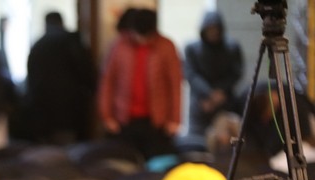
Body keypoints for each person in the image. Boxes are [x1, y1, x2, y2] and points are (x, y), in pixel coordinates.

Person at [97, 8, 182, 160]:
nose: (142, 39)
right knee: (124, 161)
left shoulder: (166, 46)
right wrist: (107, 116)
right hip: (124, 118)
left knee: (157, 162)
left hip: (157, 120)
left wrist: (174, 119)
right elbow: (108, 82)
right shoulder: (119, 46)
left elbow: (175, 84)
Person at [24, 11, 97, 145]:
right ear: (62, 22)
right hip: (69, 111)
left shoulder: (38, 45)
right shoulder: (71, 41)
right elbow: (87, 73)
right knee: (69, 151)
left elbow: (30, 82)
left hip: (42, 113)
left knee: (47, 153)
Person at [184, 11, 244, 136]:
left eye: (215, 29)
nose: (213, 33)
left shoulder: (232, 47)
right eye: (210, 29)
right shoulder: (192, 49)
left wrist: (221, 92)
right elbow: (191, 74)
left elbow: (236, 73)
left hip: (225, 101)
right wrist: (208, 93)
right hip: (201, 103)